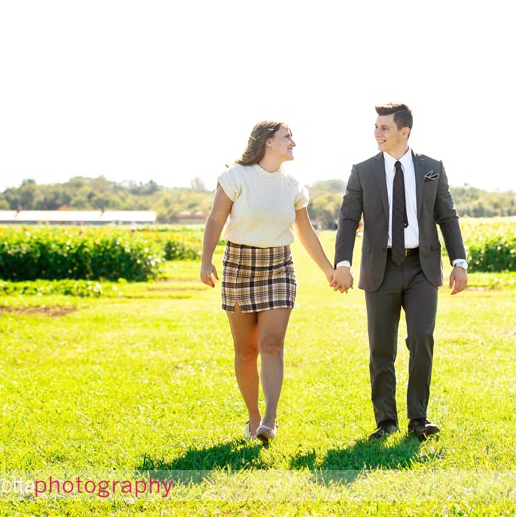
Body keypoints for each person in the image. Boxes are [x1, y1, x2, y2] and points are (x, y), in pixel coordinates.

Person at [332, 103, 469, 440]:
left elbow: (447, 217)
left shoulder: (431, 168)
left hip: (421, 267)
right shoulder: (363, 171)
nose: (377, 133)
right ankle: (386, 421)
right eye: (376, 127)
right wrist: (343, 264)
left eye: (384, 128)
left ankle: (418, 419)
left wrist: (459, 262)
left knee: (421, 338)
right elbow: (348, 219)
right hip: (380, 268)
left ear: (404, 131)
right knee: (381, 347)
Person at [201, 121, 336, 444]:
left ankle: (270, 420)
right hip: (239, 265)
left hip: (279, 267)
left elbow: (306, 233)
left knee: (271, 344)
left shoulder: (293, 186)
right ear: (267, 142)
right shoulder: (235, 177)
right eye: (287, 137)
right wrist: (206, 260)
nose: (293, 142)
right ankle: (253, 417)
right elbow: (216, 218)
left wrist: (328, 270)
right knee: (246, 350)